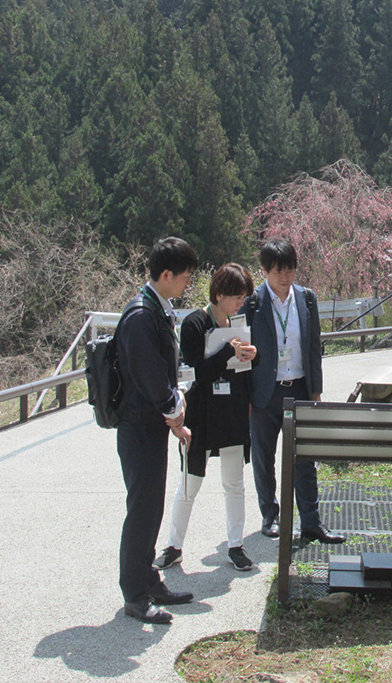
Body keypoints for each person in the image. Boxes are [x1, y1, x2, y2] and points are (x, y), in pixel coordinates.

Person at [154, 263, 258, 573]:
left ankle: (236, 545)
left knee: (234, 482)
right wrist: (227, 352)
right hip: (201, 413)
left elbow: (246, 365)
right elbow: (194, 372)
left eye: (243, 298)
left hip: (233, 411)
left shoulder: (238, 321)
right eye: (237, 297)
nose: (241, 303)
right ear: (219, 294)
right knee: (190, 482)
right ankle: (173, 546)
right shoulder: (194, 324)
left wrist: (252, 354)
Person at [115, 236, 199, 624]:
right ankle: (134, 593)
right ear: (165, 275)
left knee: (150, 508)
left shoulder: (155, 308)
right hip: (139, 427)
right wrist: (175, 409)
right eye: (183, 277)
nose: (186, 284)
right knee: (143, 510)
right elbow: (150, 380)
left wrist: (174, 414)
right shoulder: (140, 315)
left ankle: (148, 580)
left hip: (150, 427)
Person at [241, 239, 345, 544]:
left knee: (305, 458)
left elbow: (314, 349)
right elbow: (242, 354)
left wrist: (316, 392)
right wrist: (245, 397)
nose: (284, 277)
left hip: (299, 387)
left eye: (289, 270)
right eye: (277, 271)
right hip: (264, 392)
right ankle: (269, 516)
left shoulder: (307, 299)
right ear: (264, 271)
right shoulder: (252, 302)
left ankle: (311, 522)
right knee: (264, 457)